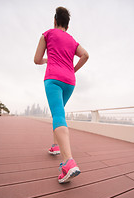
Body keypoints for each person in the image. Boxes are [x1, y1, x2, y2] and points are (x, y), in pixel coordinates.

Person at [34, 7, 89, 183]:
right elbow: (85, 55)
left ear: (55, 21)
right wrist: (72, 70)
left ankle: (68, 162)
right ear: (67, 24)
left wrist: (46, 60)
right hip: (70, 82)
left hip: (54, 79)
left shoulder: (47, 34)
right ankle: (55, 146)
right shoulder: (72, 41)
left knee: (58, 114)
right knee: (59, 113)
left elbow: (36, 59)